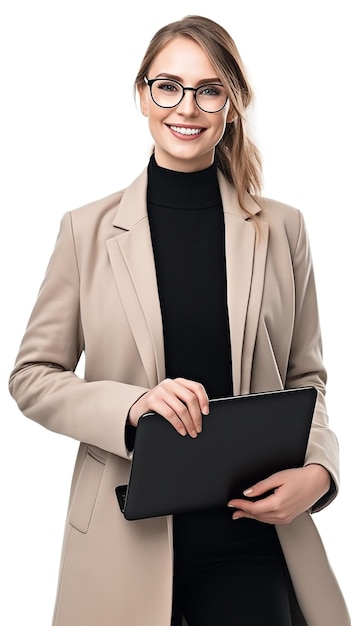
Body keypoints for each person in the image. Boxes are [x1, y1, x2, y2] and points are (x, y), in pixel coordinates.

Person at [8, 14, 350, 626]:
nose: (185, 107)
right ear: (141, 94)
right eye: (167, 86)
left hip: (254, 538)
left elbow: (307, 377)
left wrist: (320, 471)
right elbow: (33, 376)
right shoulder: (85, 231)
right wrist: (132, 408)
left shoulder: (282, 228)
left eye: (209, 89)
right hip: (123, 537)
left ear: (232, 104)